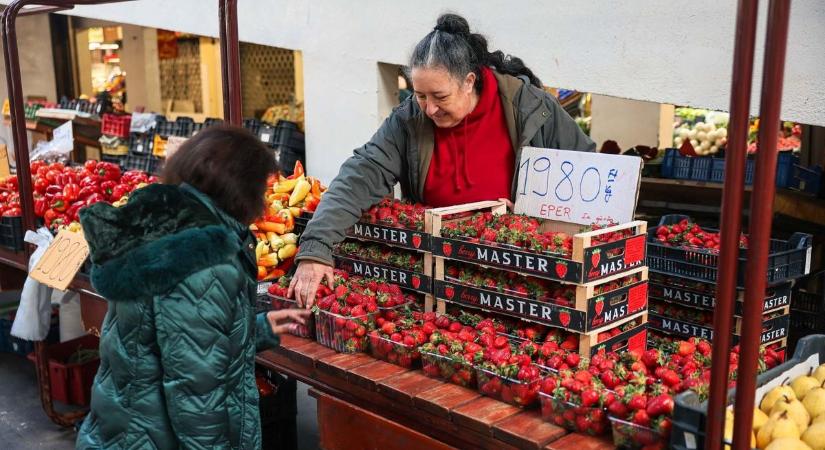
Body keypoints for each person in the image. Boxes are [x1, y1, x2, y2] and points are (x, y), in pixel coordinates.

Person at [289, 13, 595, 305]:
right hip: (435, 277)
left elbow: (586, 177)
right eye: (420, 96)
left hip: (518, 280)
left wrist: (534, 219)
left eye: (439, 97)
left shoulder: (530, 108)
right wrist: (316, 249)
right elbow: (361, 174)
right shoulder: (409, 120)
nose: (429, 108)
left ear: (468, 81)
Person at [75, 126, 309, 449]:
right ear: (239, 189)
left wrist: (261, 328)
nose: (265, 200)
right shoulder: (201, 258)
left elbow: (188, 343)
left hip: (128, 432)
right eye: (261, 188)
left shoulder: (163, 227)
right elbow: (197, 395)